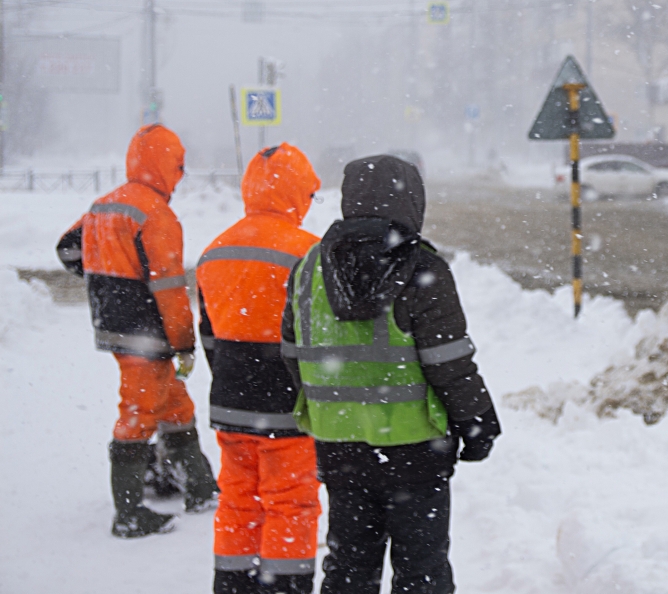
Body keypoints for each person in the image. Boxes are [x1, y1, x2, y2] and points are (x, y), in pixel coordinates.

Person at [281, 155, 500, 594]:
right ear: (412, 201)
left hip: (339, 446)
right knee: (421, 570)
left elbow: (292, 355)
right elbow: (449, 362)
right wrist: (477, 424)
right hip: (414, 449)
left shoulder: (308, 270)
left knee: (348, 567)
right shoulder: (423, 268)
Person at [56, 123, 218, 538]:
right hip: (147, 333)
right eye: (178, 167)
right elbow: (169, 289)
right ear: (166, 165)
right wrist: (184, 343)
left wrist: (105, 280)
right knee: (139, 412)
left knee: (172, 403)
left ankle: (199, 488)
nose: (179, 177)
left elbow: (68, 249)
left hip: (116, 327)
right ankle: (129, 514)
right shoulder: (155, 215)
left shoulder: (104, 205)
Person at [197, 144, 323, 594]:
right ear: (298, 193)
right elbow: (317, 334)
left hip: (231, 401)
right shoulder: (309, 253)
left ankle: (232, 583)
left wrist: (232, 375)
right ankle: (283, 587)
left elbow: (209, 336)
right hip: (288, 406)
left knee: (236, 501)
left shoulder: (214, 252)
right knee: (291, 504)